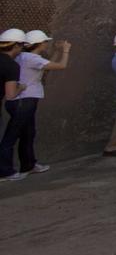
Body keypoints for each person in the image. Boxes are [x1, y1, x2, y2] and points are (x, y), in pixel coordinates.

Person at [1, 30, 70, 181]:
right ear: (39, 44)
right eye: (45, 42)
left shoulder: (23, 57)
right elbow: (61, 66)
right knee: (12, 137)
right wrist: (65, 50)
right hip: (24, 101)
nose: (47, 44)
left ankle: (29, 164)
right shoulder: (32, 59)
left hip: (20, 101)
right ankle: (5, 171)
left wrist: (57, 51)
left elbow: (46, 65)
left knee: (28, 134)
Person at [0, 29, 26, 177]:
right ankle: (4, 171)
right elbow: (10, 95)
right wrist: (21, 87)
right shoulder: (11, 65)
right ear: (16, 46)